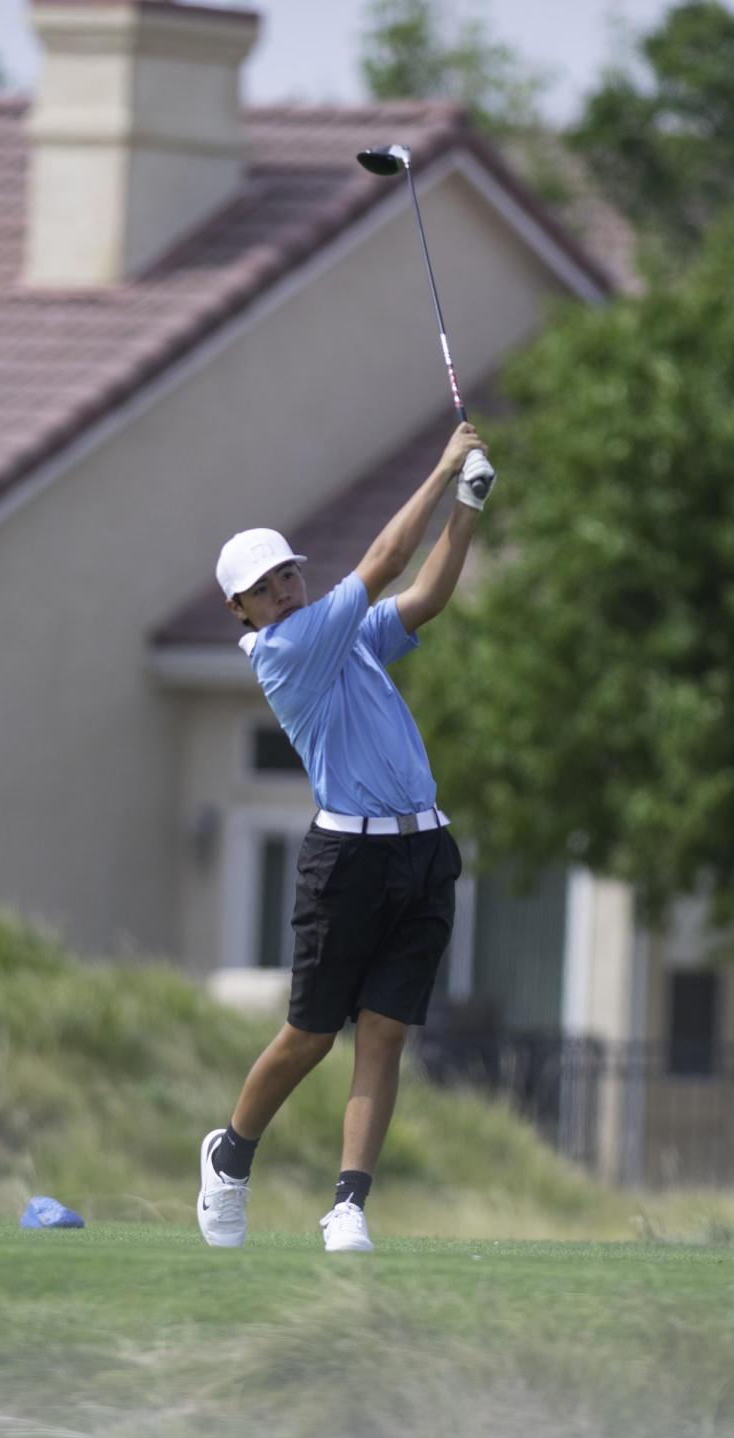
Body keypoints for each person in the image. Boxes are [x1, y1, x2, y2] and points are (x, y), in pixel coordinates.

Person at [199, 421, 492, 1252]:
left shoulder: (343, 633)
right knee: (312, 1036)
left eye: (290, 573)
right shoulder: (287, 649)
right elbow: (387, 562)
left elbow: (425, 596)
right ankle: (230, 1155)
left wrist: (466, 507)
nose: (285, 589)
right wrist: (440, 471)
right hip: (348, 861)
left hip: (423, 848)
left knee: (387, 1031)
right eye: (266, 586)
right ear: (242, 610)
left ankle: (349, 1204)